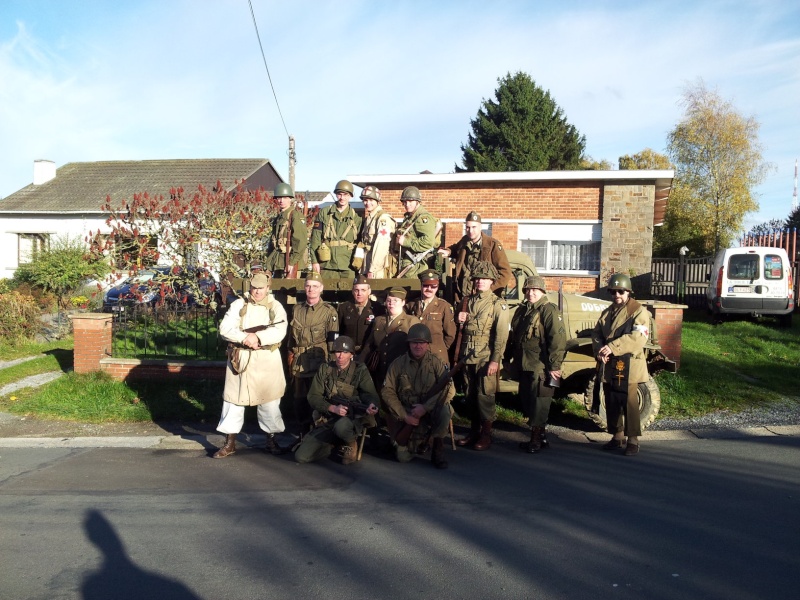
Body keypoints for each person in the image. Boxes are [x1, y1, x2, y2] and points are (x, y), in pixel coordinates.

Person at [213, 272, 288, 458]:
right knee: (233, 401)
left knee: (270, 402)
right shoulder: (239, 304)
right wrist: (245, 337)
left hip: (266, 360)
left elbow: (280, 330)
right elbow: (225, 328)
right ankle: (229, 443)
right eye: (254, 288)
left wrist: (259, 337)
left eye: (261, 288)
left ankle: (271, 440)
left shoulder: (275, 307)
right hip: (240, 359)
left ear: (267, 288)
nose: (257, 292)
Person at [294, 336, 380, 465]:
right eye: (338, 352)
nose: (340, 356)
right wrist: (332, 408)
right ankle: (335, 443)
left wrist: (371, 404)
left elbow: (369, 394)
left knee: (341, 427)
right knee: (301, 457)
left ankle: (350, 443)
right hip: (329, 417)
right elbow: (313, 396)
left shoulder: (360, 370)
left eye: (345, 352)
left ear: (351, 354)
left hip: (351, 418)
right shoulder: (325, 369)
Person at [592, 273, 650, 456]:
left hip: (629, 363)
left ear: (628, 292)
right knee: (612, 400)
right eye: (613, 292)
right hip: (611, 363)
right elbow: (596, 333)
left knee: (629, 402)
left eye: (621, 291)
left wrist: (612, 347)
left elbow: (638, 337)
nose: (617, 295)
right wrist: (600, 350)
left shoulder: (638, 311)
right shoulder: (608, 312)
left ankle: (633, 440)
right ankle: (617, 436)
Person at [506, 276, 566, 454]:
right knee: (528, 400)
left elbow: (558, 339)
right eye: (527, 290)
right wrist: (507, 358)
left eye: (535, 290)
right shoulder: (522, 310)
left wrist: (555, 366)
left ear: (542, 291)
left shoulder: (549, 310)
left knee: (540, 401)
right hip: (524, 363)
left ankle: (536, 439)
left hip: (541, 364)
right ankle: (541, 436)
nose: (531, 293)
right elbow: (513, 336)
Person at [381, 324, 455, 468]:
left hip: (429, 411)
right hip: (407, 412)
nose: (418, 346)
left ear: (427, 344)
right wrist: (404, 416)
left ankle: (437, 450)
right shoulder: (397, 364)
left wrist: (425, 408)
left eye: (422, 343)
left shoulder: (436, 363)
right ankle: (417, 443)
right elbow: (387, 391)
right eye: (414, 342)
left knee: (445, 410)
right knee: (403, 458)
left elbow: (450, 390)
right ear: (409, 344)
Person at [455, 261, 510, 451]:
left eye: (484, 279)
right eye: (477, 279)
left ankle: (486, 435)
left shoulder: (497, 304)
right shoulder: (467, 301)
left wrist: (495, 359)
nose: (480, 282)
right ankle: (474, 431)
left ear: (491, 281)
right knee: (470, 395)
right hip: (467, 354)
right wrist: (459, 318)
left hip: (486, 355)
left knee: (484, 396)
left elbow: (501, 335)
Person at [288, 271, 339, 433]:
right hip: (300, 364)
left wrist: (332, 367)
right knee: (299, 401)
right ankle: (303, 433)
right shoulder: (297, 309)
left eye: (315, 286)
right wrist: (289, 358)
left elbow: (333, 342)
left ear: (321, 289)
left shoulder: (329, 311)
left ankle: (318, 433)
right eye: (308, 286)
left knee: (317, 400)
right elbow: (291, 340)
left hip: (319, 364)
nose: (311, 289)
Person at [439, 211, 512, 305]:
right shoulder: (465, 241)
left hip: (483, 300)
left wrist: (489, 290)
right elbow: (456, 248)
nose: (470, 231)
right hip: (463, 297)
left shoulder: (492, 245)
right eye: (468, 227)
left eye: (474, 227)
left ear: (480, 227)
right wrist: (448, 251)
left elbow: (505, 272)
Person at [358, 286, 420, 390]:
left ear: (403, 302)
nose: (391, 303)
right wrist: (360, 364)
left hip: (401, 373)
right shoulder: (378, 320)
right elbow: (369, 345)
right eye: (389, 300)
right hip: (379, 372)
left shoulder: (411, 321)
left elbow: (417, 348)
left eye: (395, 300)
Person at [310, 179, 362, 278]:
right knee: (326, 293)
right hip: (327, 264)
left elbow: (360, 245)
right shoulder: (324, 213)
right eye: (339, 194)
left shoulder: (357, 218)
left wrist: (359, 264)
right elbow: (315, 239)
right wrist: (314, 261)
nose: (342, 198)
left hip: (348, 265)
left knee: (348, 293)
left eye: (346, 195)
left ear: (351, 196)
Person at [405, 268, 456, 364]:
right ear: (421, 286)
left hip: (436, 355)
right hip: (415, 355)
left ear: (437, 287)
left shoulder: (444, 306)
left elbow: (450, 334)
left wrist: (439, 347)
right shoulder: (412, 305)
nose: (429, 289)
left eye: (433, 286)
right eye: (426, 286)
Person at [264, 183, 308, 278]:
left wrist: (292, 262)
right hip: (278, 261)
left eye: (285, 198)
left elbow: (300, 242)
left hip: (291, 262)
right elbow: (273, 243)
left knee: (290, 291)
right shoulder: (278, 218)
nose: (281, 201)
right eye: (279, 198)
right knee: (277, 292)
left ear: (290, 198)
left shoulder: (295, 216)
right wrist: (269, 264)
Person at [394, 186, 438, 278]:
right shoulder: (410, 217)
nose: (407, 204)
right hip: (407, 264)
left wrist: (406, 242)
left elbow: (428, 242)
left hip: (416, 267)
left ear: (417, 201)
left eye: (410, 201)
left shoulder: (422, 218)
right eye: (405, 202)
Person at [337, 274, 384, 354]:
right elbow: (339, 331)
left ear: (369, 291)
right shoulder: (343, 308)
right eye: (356, 290)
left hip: (369, 353)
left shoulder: (377, 308)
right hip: (348, 352)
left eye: (363, 290)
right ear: (352, 291)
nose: (359, 293)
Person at [356, 185, 396, 278]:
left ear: (377, 201)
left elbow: (382, 245)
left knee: (376, 291)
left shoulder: (383, 218)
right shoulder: (369, 218)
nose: (367, 203)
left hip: (377, 267)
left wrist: (373, 269)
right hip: (366, 262)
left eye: (371, 200)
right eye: (365, 200)